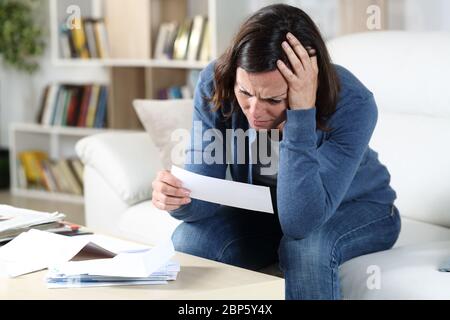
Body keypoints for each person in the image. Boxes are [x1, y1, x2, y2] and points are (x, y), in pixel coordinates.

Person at [150, 4, 401, 300]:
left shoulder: (353, 103)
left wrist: (301, 115)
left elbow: (300, 223)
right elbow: (203, 197)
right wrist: (177, 198)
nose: (255, 112)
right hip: (267, 210)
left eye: (273, 99)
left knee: (304, 249)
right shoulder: (217, 82)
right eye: (245, 93)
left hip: (358, 208)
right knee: (190, 240)